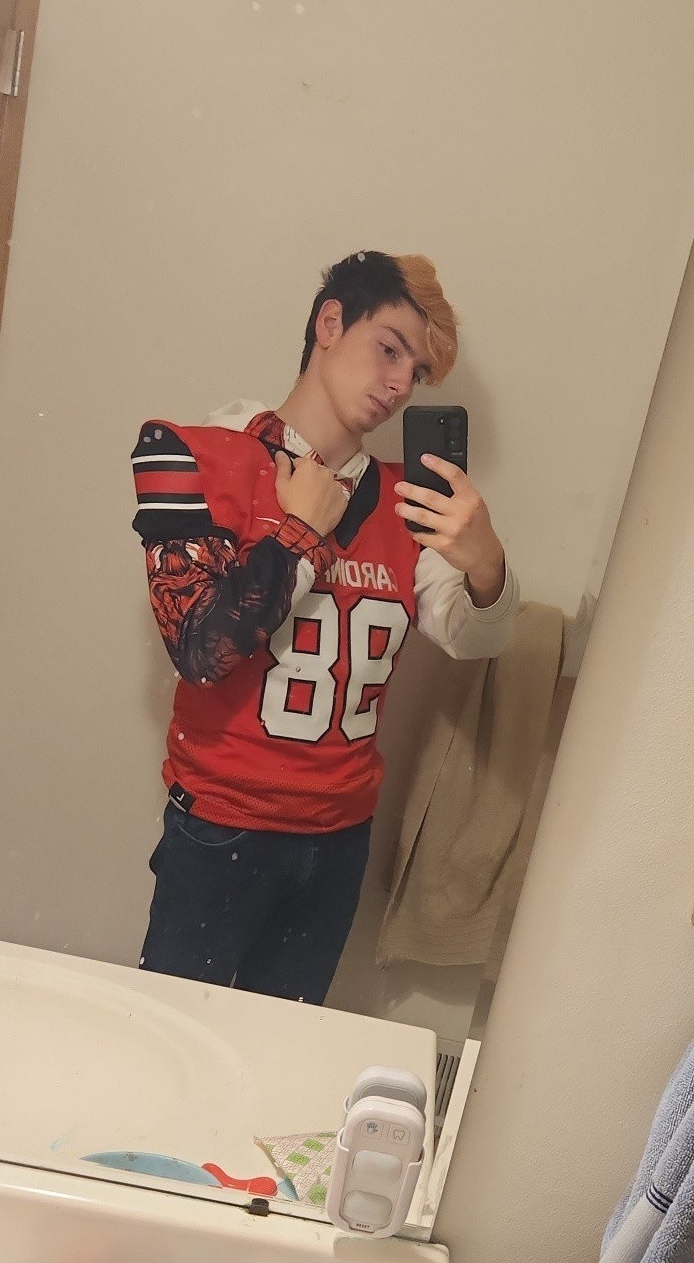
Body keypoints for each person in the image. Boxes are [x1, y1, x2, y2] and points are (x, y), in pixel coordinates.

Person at [131, 249, 519, 1004]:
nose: (400, 385)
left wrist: (486, 562)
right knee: (177, 1039)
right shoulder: (193, 452)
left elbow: (477, 637)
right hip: (222, 827)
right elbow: (200, 649)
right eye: (390, 349)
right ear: (331, 324)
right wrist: (299, 533)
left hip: (339, 837)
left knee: (287, 1056)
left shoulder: (409, 504)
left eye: (417, 372)